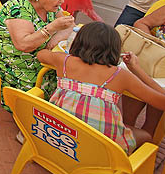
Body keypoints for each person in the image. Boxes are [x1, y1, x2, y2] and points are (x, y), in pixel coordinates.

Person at [37, 22, 165, 153]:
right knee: (146, 136)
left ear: (78, 41)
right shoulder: (120, 75)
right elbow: (162, 102)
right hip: (100, 149)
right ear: (115, 49)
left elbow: (40, 54)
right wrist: (136, 68)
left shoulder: (63, 61)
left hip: (61, 136)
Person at [0, 0, 76, 109]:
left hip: (38, 52)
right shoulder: (19, 9)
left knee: (66, 75)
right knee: (42, 89)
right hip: (13, 57)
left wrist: (54, 39)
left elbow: (70, 26)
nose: (62, 0)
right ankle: (29, 117)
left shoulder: (50, 5)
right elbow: (23, 45)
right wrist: (52, 29)